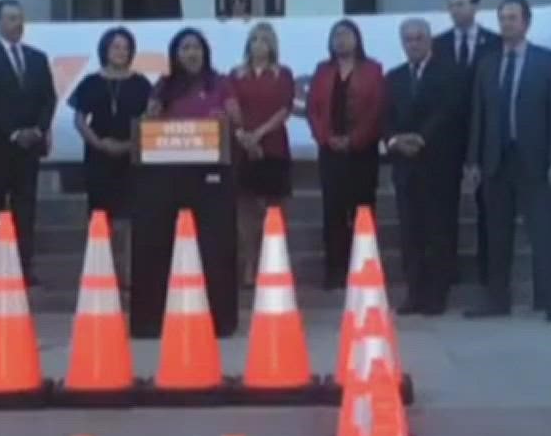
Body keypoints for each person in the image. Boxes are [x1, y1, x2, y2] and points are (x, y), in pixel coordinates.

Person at [464, 0, 551, 322]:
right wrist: (473, 161)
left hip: (535, 162)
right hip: (497, 161)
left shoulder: (548, 62)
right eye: (503, 18)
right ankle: (498, 300)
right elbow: (478, 116)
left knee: (542, 235)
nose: (507, 24)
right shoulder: (488, 64)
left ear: (526, 22)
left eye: (512, 18)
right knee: (497, 236)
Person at [0, 0, 55, 285]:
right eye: (10, 18)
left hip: (28, 149)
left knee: (25, 209)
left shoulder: (37, 58)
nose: (17, 24)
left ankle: (24, 267)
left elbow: (48, 98)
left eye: (20, 18)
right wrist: (13, 131)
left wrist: (38, 130)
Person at [384, 17, 466, 315]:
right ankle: (414, 293)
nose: (414, 44)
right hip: (405, 167)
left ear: (429, 40)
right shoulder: (393, 77)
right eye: (409, 39)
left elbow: (448, 111)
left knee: (438, 231)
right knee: (410, 233)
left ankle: (436, 295)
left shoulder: (448, 73)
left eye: (419, 38)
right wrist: (394, 140)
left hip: (438, 164)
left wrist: (421, 137)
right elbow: (385, 116)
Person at [68, 26, 152, 284]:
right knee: (100, 216)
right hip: (98, 156)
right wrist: (99, 144)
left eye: (125, 47)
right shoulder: (90, 82)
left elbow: (149, 120)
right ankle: (102, 269)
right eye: (115, 47)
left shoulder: (141, 83)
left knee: (129, 217)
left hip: (132, 157)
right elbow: (80, 120)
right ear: (105, 49)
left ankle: (127, 272)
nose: (120, 52)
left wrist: (128, 145)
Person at [307, 19, 385, 289]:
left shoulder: (373, 70)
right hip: (330, 151)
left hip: (363, 150)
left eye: (346, 35)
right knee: (333, 211)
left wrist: (354, 140)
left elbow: (377, 109)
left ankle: (363, 265)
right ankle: (334, 269)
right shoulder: (322, 70)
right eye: (336, 36)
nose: (341, 40)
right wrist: (327, 138)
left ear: (357, 39)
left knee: (363, 209)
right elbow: (313, 110)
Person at [228, 22, 295, 286]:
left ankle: (274, 262)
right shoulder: (236, 74)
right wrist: (245, 136)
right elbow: (231, 108)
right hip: (243, 147)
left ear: (272, 46)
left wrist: (259, 135)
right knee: (245, 209)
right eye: (254, 40)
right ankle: (249, 264)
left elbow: (284, 109)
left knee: (274, 208)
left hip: (274, 145)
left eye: (264, 40)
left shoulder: (283, 74)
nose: (259, 45)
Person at [443, 0, 499, 287]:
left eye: (461, 4)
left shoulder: (493, 43)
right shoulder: (438, 44)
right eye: (451, 5)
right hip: (447, 138)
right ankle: (447, 271)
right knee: (444, 208)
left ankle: (488, 273)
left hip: (485, 136)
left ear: (475, 7)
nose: (456, 10)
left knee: (488, 207)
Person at [148, 27, 237, 119]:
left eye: (197, 48)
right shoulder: (164, 84)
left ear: (205, 53)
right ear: (175, 55)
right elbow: (149, 120)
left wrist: (224, 118)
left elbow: (236, 120)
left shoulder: (221, 82)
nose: (192, 53)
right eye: (185, 48)